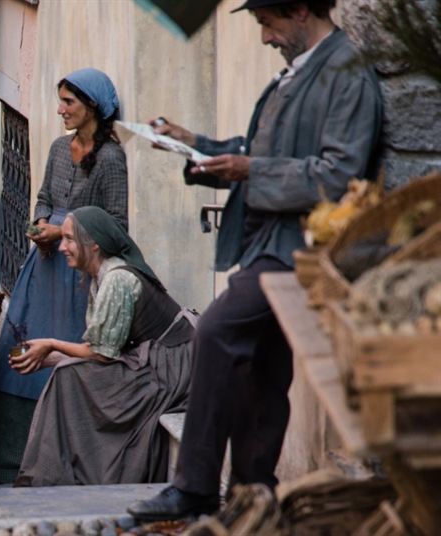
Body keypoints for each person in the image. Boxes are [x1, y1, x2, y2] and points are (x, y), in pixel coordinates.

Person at [128, 0, 382, 521]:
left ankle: (196, 485)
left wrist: (249, 170)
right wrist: (194, 146)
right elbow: (263, 151)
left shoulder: (346, 73)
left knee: (216, 330)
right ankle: (254, 496)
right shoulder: (300, 72)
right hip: (269, 243)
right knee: (263, 371)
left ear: (301, 10)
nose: (265, 38)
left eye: (268, 23)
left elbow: (338, 174)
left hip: (302, 250)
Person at [0, 67, 128, 484]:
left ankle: (58, 465)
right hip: (45, 266)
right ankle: (9, 460)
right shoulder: (56, 148)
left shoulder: (110, 158)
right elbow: (45, 198)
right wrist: (39, 226)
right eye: (61, 101)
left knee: (66, 358)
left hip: (80, 273)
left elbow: (118, 223)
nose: (61, 110)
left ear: (93, 107)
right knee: (17, 349)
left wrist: (68, 232)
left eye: (69, 102)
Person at [10, 206, 195, 486]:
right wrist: (45, 358)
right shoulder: (101, 277)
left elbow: (101, 353)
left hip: (173, 368)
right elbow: (101, 346)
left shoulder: (118, 279)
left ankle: (58, 475)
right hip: (150, 360)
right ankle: (57, 472)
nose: (63, 247)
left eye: (70, 239)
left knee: (69, 377)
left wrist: (50, 345)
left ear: (93, 245)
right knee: (69, 372)